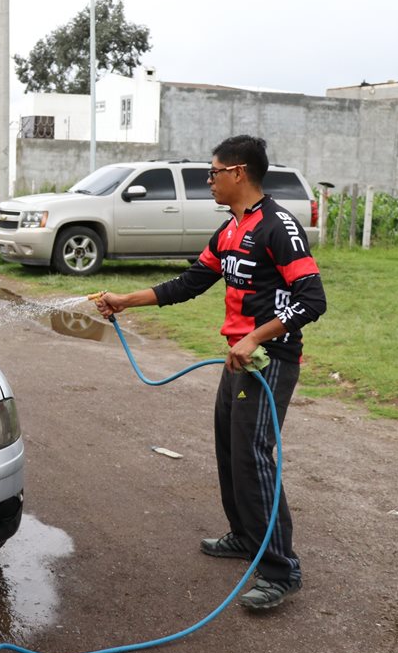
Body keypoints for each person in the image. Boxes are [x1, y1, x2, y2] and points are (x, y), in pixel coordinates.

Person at [93, 135, 326, 611]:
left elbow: (312, 299)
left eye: (213, 172)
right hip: (239, 360)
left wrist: (256, 337)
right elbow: (189, 283)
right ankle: (245, 536)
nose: (208, 181)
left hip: (270, 361)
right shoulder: (229, 231)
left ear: (238, 172)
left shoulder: (278, 227)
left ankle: (282, 569)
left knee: (254, 459)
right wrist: (125, 301)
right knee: (230, 449)